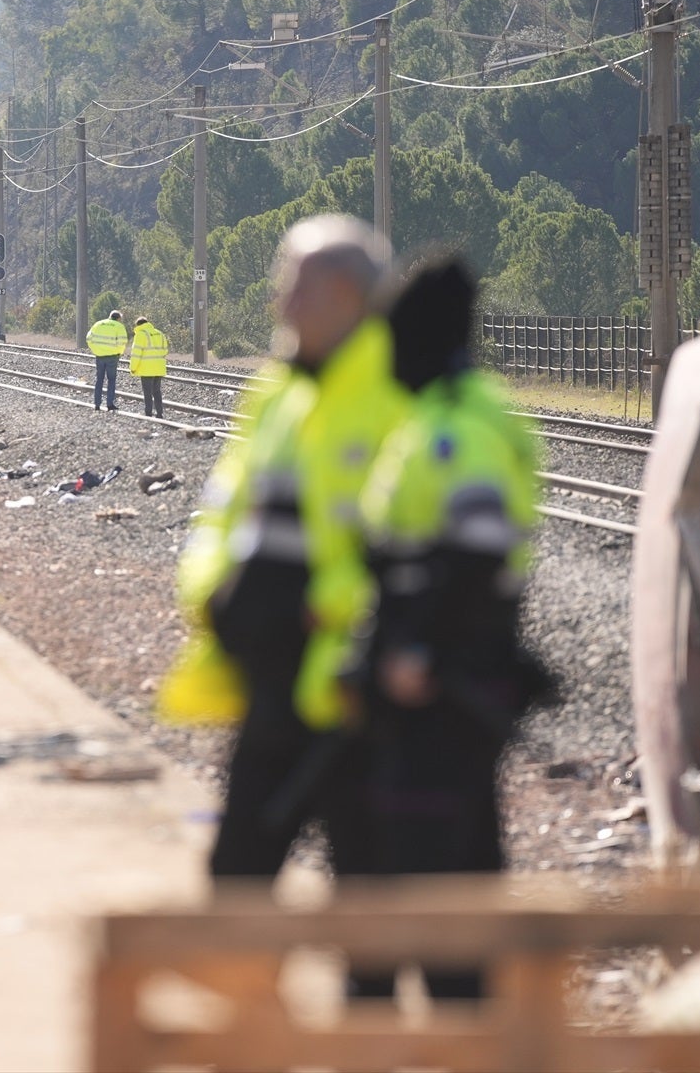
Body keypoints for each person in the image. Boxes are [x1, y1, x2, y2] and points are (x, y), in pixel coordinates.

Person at [158, 215, 408, 891]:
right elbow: (224, 510)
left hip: (353, 683)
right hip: (271, 673)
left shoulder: (399, 395)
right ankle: (245, 993)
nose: (282, 303)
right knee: (239, 868)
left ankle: (369, 997)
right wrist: (211, 594)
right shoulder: (275, 393)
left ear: (351, 296)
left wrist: (335, 616)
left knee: (368, 882)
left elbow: (413, 539)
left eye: (299, 288)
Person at [346, 255, 549, 998]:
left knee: (433, 872)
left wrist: (417, 650)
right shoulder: (448, 413)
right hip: (452, 674)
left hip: (440, 680)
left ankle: (455, 1023)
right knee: (459, 864)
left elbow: (475, 551)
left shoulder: (454, 428)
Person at [126, 315, 169, 418]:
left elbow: (136, 353)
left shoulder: (141, 334)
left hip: (146, 369)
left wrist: (133, 368)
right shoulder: (159, 333)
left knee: (147, 392)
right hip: (159, 367)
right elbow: (165, 350)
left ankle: (148, 412)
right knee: (157, 391)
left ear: (138, 325)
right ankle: (159, 413)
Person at [86, 309, 127, 411]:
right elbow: (122, 342)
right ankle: (109, 404)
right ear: (118, 318)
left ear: (110, 316)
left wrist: (95, 349)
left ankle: (97, 404)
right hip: (112, 357)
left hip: (99, 356)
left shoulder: (98, 324)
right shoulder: (119, 326)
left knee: (99, 380)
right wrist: (119, 352)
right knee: (111, 380)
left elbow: (88, 338)